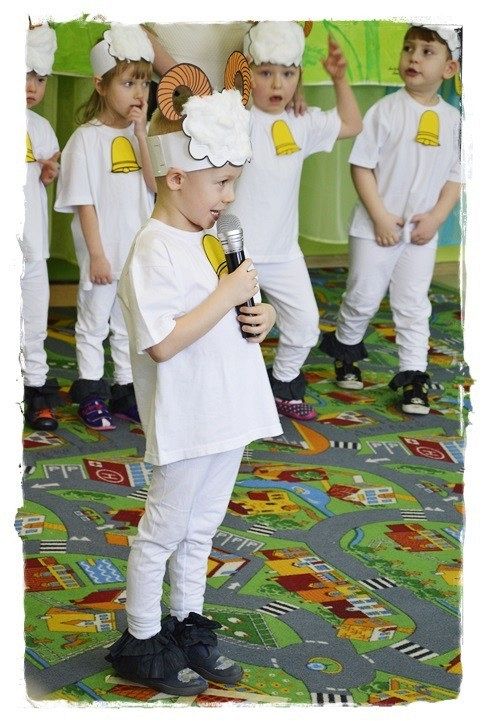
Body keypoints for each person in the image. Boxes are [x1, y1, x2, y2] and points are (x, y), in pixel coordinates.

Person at [105, 62, 283, 695]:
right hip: (189, 415)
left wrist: (258, 315)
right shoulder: (153, 246)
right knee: (163, 531)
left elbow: (229, 314)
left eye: (234, 183)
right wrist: (225, 295)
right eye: (222, 183)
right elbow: (162, 342)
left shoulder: (212, 239)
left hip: (230, 408)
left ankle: (186, 622)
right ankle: (142, 637)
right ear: (176, 177)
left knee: (202, 528)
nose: (229, 198)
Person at [320, 24, 461, 415]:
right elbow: (361, 165)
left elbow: (456, 176)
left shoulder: (454, 121)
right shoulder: (385, 110)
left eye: (427, 52)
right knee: (362, 297)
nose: (414, 57)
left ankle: (413, 375)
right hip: (374, 229)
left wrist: (436, 218)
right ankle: (346, 349)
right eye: (408, 48)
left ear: (449, 68)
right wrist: (380, 217)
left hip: (421, 233)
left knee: (413, 304)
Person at [230, 21, 362, 421]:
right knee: (239, 331)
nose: (277, 84)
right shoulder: (236, 119)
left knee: (305, 325)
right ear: (248, 72)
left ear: (298, 77)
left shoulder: (301, 121)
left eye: (288, 74)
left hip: (285, 253)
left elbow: (352, 124)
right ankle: (235, 396)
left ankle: (282, 385)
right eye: (266, 72)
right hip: (237, 254)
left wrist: (339, 79)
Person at [55, 24, 160, 430]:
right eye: (128, 83)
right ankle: (91, 391)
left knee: (127, 324)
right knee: (93, 322)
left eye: (145, 83)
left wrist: (141, 134)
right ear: (101, 85)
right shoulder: (85, 140)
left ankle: (124, 388)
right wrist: (96, 255)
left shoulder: (142, 134)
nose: (139, 93)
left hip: (135, 252)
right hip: (103, 253)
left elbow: (154, 186)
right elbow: (84, 203)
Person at [22, 23, 62, 430]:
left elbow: (47, 172)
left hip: (33, 247)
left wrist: (50, 172)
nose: (32, 86)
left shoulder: (41, 127)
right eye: (24, 74)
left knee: (34, 322)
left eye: (40, 78)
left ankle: (36, 389)